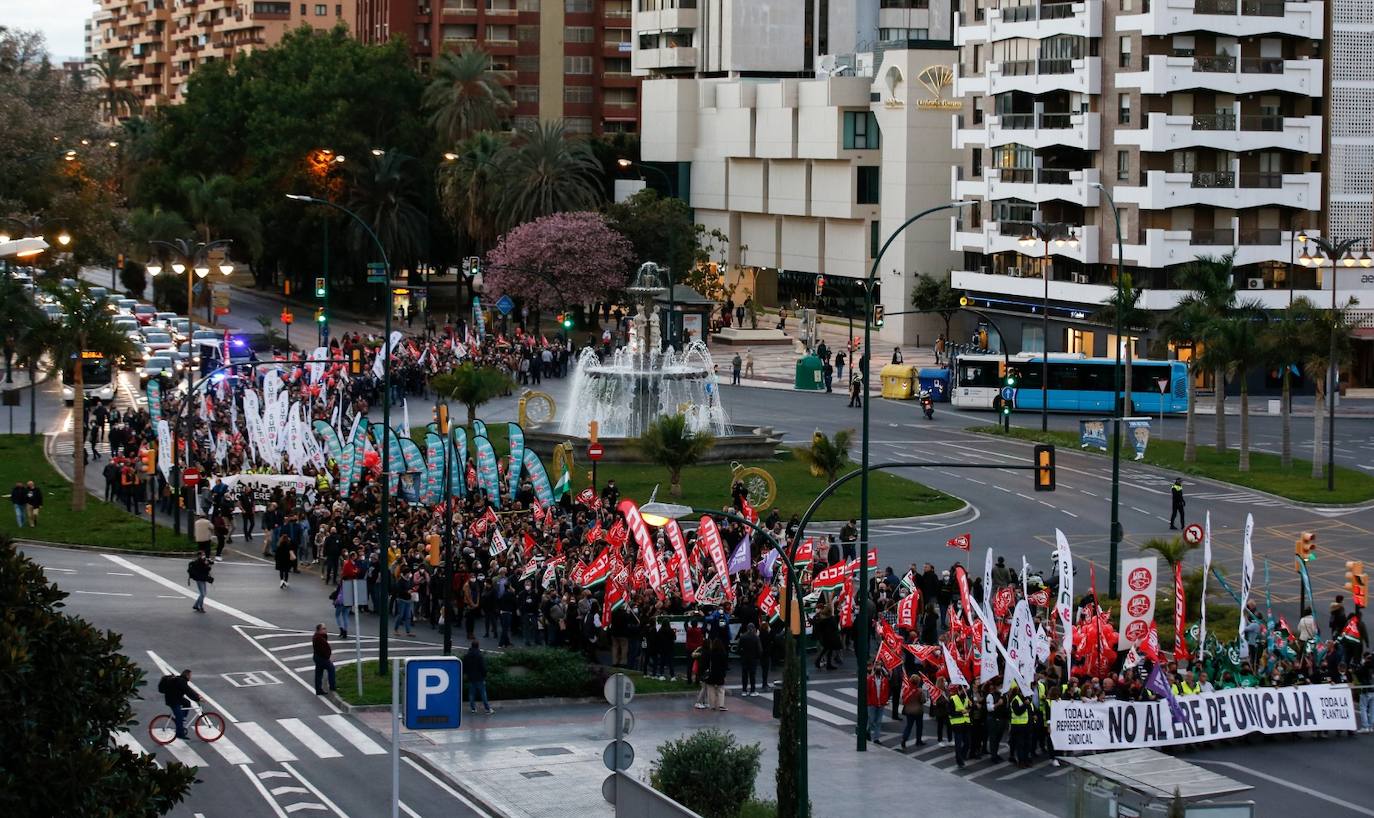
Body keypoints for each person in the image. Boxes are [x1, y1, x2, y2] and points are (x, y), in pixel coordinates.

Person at [161, 669, 201, 741]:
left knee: (187, 703)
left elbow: (189, 690)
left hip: (176, 698)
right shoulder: (181, 681)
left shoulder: (181, 680)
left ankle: (181, 719)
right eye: (190, 675)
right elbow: (188, 692)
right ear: (187, 675)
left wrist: (197, 696)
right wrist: (197, 699)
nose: (190, 677)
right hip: (172, 700)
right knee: (178, 716)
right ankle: (180, 734)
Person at [466, 641, 494, 714]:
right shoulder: (479, 655)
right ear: (478, 646)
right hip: (479, 677)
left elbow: (465, 666)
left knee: (471, 693)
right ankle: (487, 709)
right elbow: (483, 667)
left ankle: (473, 708)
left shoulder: (467, 655)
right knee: (483, 693)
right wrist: (484, 675)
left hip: (471, 677)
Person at [865, 661, 890, 745]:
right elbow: (867, 691)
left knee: (878, 721)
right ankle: (867, 731)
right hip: (872, 703)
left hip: (881, 703)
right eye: (877, 668)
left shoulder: (884, 680)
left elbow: (886, 691)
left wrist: (885, 700)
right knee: (871, 720)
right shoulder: (870, 679)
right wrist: (869, 701)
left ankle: (876, 738)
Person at [1008, 681, 1032, 768]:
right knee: (1020, 745)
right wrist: (1025, 705)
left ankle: (1026, 760)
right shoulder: (1015, 700)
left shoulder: (1026, 699)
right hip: (1018, 727)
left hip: (1026, 726)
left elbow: (1029, 712)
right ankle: (1021, 761)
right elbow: (1018, 712)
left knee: (1027, 744)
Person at [899, 674, 926, 749]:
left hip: (909, 711)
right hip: (918, 711)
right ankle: (918, 740)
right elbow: (923, 700)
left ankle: (904, 739)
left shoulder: (906, 689)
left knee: (909, 726)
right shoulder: (919, 690)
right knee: (919, 726)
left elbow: (903, 698)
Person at [949, 682, 972, 767]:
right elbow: (950, 712)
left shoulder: (967, 698)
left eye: (966, 689)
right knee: (958, 744)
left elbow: (969, 709)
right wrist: (962, 713)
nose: (966, 691)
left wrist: (971, 707)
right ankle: (959, 760)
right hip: (957, 725)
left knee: (967, 743)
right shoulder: (953, 698)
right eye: (964, 689)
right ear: (960, 689)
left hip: (966, 724)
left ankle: (962, 756)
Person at [705, 636, 729, 711]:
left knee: (710, 689)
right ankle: (721, 705)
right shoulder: (723, 653)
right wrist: (724, 674)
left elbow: (707, 663)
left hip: (711, 673)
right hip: (720, 673)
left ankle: (712, 705)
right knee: (721, 689)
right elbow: (725, 665)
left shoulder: (710, 653)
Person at [312, 623, 337, 695]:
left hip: (318, 657)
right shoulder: (319, 638)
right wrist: (328, 658)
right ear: (319, 630)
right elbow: (323, 650)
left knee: (319, 673)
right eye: (324, 629)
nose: (326, 630)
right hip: (322, 658)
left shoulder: (319, 637)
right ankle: (332, 686)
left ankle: (318, 689)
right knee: (331, 669)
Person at [738, 623, 761, 696]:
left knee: (744, 675)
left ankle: (744, 690)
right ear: (754, 628)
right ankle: (752, 690)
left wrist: (741, 655)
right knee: (752, 675)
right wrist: (758, 657)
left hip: (745, 658)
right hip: (753, 659)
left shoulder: (743, 637)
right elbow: (759, 649)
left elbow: (738, 648)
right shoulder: (756, 637)